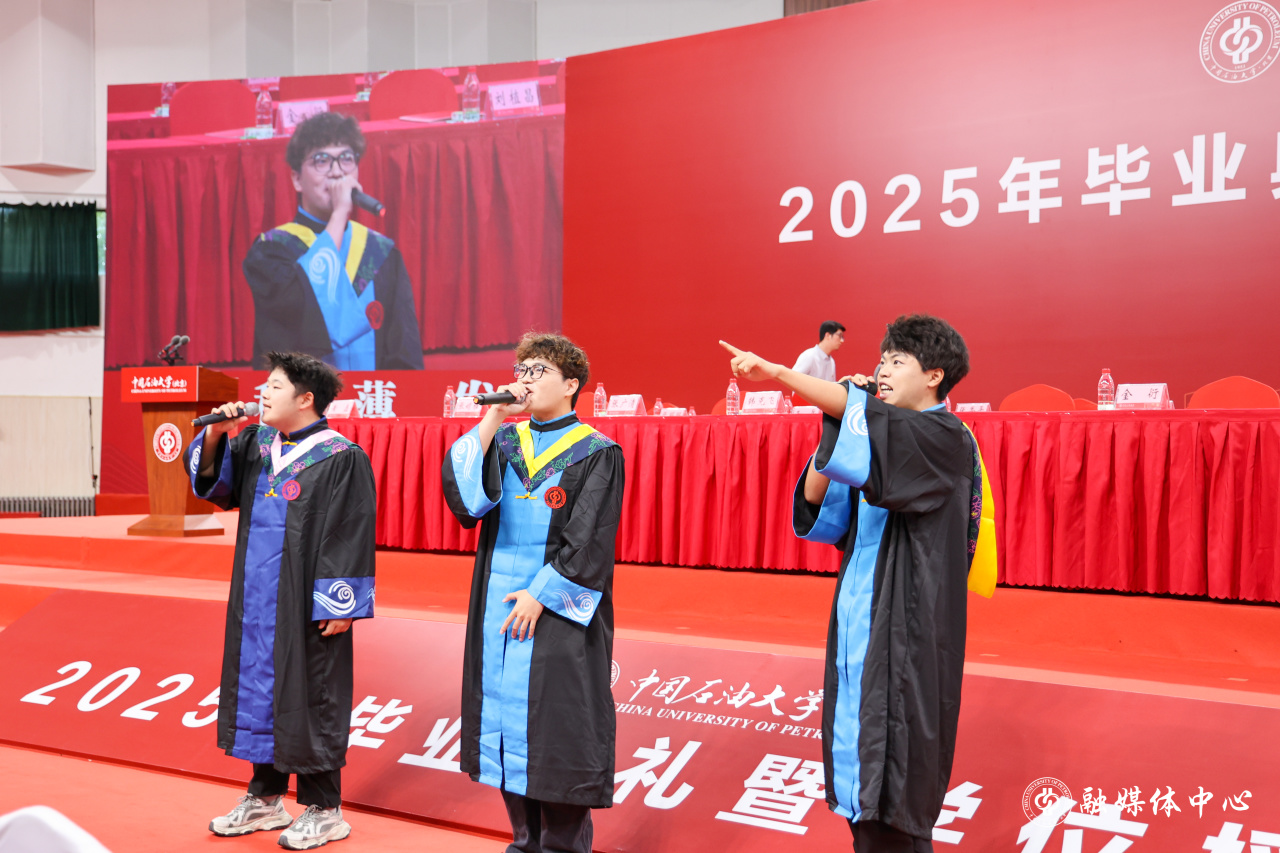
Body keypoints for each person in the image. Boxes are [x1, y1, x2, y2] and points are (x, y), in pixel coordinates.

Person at [720, 314, 996, 853]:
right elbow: (820, 497)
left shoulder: (944, 436)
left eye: (898, 361)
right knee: (861, 788)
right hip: (861, 624)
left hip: (905, 632)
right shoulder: (882, 434)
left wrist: (782, 374)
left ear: (934, 376)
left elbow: (874, 428)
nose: (882, 370)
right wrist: (839, 417)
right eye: (881, 360)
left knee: (893, 795)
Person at [186, 351, 377, 850]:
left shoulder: (340, 456)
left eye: (274, 386)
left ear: (306, 398)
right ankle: (265, 797)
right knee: (260, 688)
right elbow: (215, 486)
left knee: (312, 694)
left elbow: (351, 531)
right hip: (256, 598)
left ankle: (326, 808)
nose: (263, 393)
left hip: (305, 601)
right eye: (264, 385)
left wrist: (340, 605)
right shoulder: (256, 443)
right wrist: (215, 434)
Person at [441, 332, 624, 853]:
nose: (525, 379)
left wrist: (540, 594)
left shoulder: (597, 451)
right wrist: (494, 416)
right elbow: (466, 503)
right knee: (506, 725)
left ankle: (562, 847)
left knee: (557, 727)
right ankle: (524, 842)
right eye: (521, 370)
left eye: (538, 371)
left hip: (559, 612)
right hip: (498, 609)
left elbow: (590, 538)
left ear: (571, 385)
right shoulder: (503, 443)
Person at [243, 112, 424, 371]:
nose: (337, 172)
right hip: (302, 394)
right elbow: (297, 313)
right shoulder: (271, 250)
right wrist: (340, 214)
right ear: (296, 179)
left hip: (371, 393)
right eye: (322, 161)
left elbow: (404, 351)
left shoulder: (380, 252)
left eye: (346, 159)